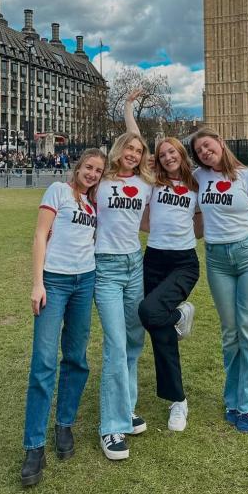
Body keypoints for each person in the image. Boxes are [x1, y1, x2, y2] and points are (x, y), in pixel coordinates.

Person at [21, 148, 106, 487]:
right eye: (89, 167)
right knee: (43, 363)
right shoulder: (58, 191)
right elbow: (41, 235)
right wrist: (37, 283)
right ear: (78, 167)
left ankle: (64, 424)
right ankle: (34, 446)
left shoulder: (94, 204)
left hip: (85, 281)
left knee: (76, 357)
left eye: (99, 171)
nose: (93, 174)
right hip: (54, 282)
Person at [190, 128, 248, 433]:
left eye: (207, 145)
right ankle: (232, 397)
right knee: (230, 332)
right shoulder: (198, 177)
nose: (204, 152)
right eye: (198, 150)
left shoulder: (247, 177)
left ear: (220, 141)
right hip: (217, 258)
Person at [124, 92, 202, 432]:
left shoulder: (197, 182)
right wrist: (128, 107)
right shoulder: (152, 180)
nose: (168, 156)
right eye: (163, 153)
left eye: (173, 151)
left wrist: (184, 231)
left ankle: (180, 313)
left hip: (184, 262)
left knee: (148, 311)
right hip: (153, 258)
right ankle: (178, 401)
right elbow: (136, 141)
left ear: (181, 154)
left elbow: (200, 224)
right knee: (159, 331)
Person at [94, 119, 153, 460]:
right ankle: (111, 426)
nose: (133, 153)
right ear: (118, 150)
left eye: (138, 150)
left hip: (135, 264)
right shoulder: (101, 178)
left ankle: (126, 407)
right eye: (128, 148)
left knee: (133, 341)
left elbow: (150, 220)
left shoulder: (144, 183)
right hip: (106, 267)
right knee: (115, 345)